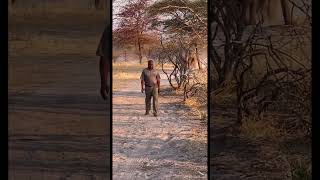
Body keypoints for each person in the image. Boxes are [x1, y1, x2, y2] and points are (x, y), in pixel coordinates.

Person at [96, 0, 111, 100]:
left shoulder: (109, 29)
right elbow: (104, 59)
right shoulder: (108, 30)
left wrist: (103, 83)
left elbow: (104, 59)